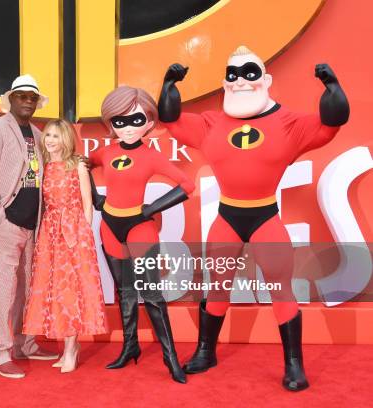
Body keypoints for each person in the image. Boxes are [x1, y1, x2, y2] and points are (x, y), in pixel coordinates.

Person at [158, 45, 350, 391]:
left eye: (250, 72)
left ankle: (294, 364)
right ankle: (206, 350)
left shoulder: (288, 123)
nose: (241, 81)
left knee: (280, 288)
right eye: (233, 74)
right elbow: (171, 120)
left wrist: (332, 88)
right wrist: (169, 86)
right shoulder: (211, 123)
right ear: (225, 82)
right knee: (216, 287)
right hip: (227, 217)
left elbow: (330, 123)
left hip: (264, 217)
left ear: (265, 79)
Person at [88, 86, 195, 383]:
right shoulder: (106, 152)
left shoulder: (152, 156)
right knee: (124, 293)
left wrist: (150, 210)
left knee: (152, 296)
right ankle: (130, 347)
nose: (128, 127)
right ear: (111, 124)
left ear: (149, 121)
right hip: (109, 227)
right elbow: (82, 165)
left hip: (141, 229)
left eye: (136, 120)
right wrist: (96, 199)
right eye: (120, 121)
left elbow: (187, 184)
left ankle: (170, 358)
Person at [0, 74, 59, 379]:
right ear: (11, 99)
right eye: (21, 96)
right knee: (5, 292)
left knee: (29, 291)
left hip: (33, 225)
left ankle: (26, 344)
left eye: (32, 97)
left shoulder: (37, 133)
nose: (27, 101)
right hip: (6, 224)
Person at [22, 119, 107, 373]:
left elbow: (87, 203)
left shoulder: (78, 165)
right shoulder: (43, 166)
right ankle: (67, 348)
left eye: (56, 136)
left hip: (74, 233)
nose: (50, 140)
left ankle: (71, 349)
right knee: (55, 291)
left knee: (72, 291)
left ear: (66, 139)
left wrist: (84, 236)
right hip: (50, 234)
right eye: (47, 135)